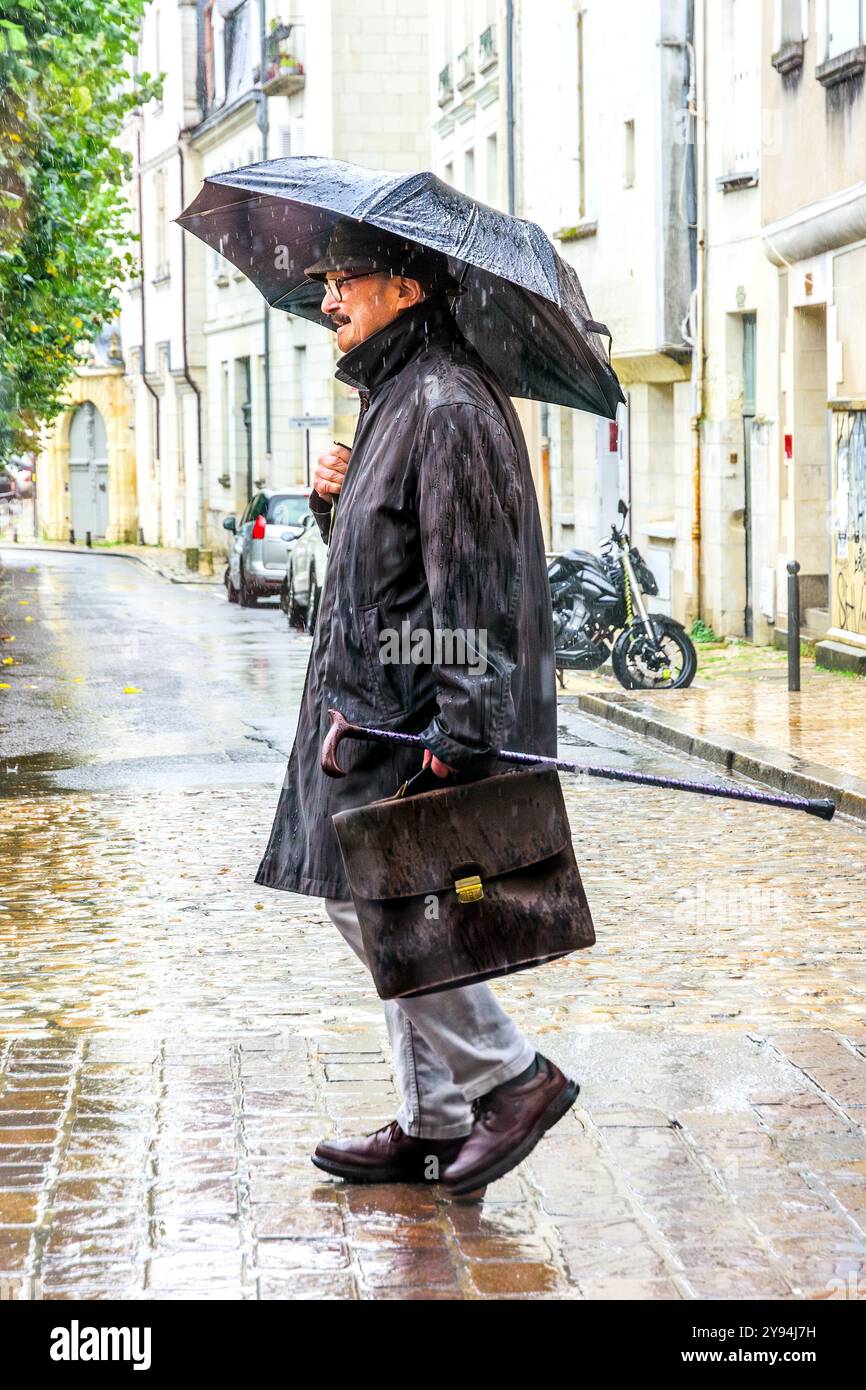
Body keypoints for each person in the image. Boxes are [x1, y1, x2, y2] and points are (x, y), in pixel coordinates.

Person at [254, 217, 579, 1195]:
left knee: (380, 902)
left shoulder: (439, 400)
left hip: (409, 712)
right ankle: (434, 1122)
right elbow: (390, 555)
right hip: (372, 702)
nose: (326, 298)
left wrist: (464, 724)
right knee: (402, 901)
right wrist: (335, 502)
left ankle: (509, 1080)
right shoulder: (402, 395)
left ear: (406, 289)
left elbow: (472, 578)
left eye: (344, 278)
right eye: (324, 281)